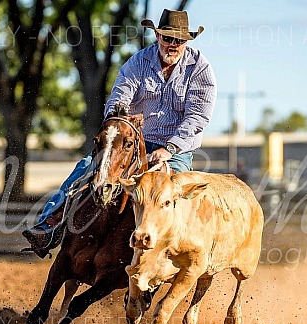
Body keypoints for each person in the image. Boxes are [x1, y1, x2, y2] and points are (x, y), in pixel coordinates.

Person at [23, 9, 217, 251]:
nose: (173, 45)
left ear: (187, 41)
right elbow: (119, 97)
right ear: (157, 36)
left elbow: (197, 117)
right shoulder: (138, 62)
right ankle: (49, 224)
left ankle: (175, 253)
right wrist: (121, 117)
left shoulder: (200, 70)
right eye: (168, 38)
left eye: (179, 40)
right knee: (86, 167)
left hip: (176, 151)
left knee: (174, 193)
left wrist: (170, 148)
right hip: (132, 144)